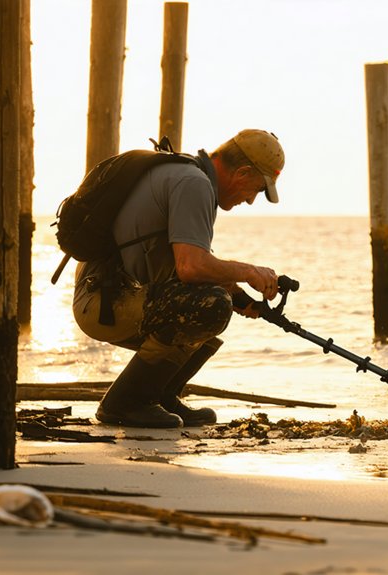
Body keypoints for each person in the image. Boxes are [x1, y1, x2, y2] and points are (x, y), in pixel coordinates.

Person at [72, 129, 285, 428]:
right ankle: (125, 403)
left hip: (109, 297)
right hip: (103, 303)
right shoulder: (194, 184)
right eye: (257, 189)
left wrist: (243, 300)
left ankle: (159, 396)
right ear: (243, 172)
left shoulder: (191, 177)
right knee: (209, 307)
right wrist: (249, 272)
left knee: (210, 315)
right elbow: (191, 268)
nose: (251, 200)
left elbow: (190, 266)